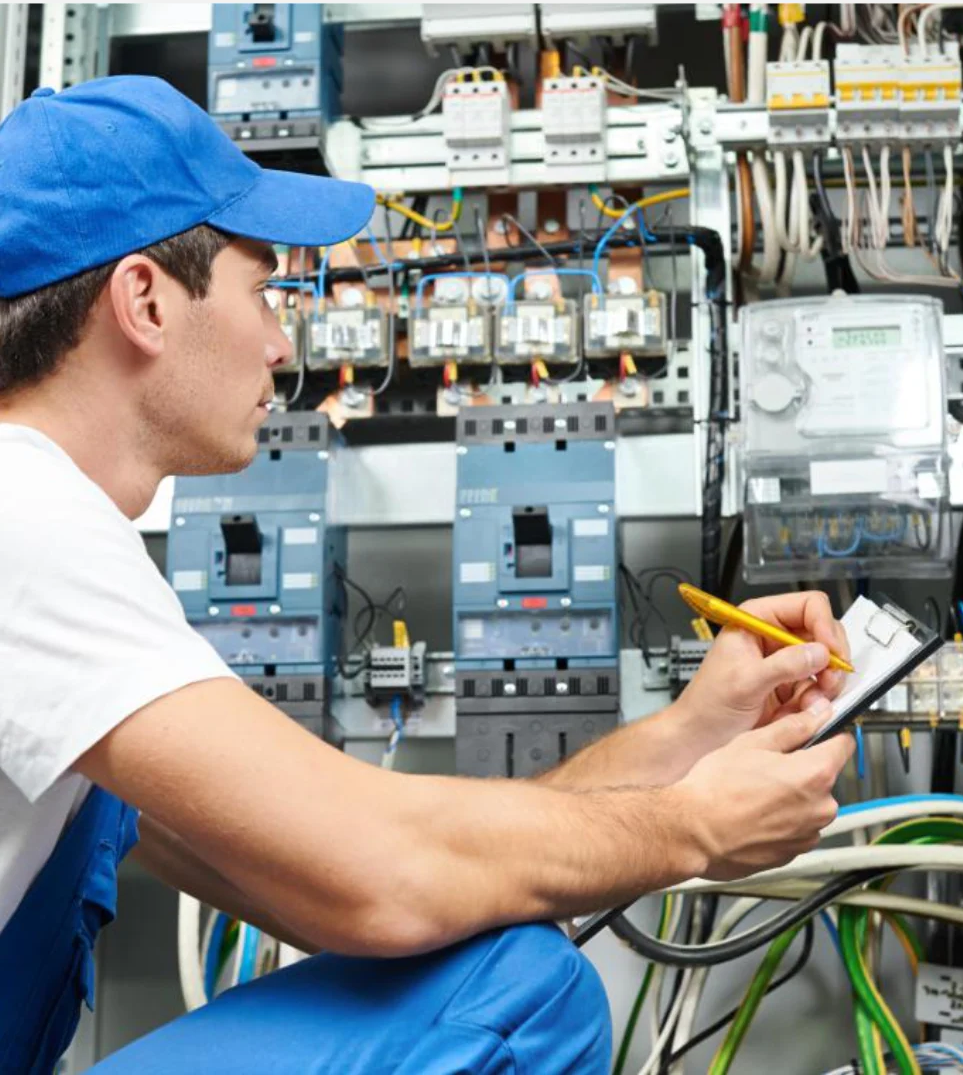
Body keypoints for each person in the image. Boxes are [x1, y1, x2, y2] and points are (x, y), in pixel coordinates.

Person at [0, 76, 854, 1075]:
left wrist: (689, 735)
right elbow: (390, 872)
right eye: (261, 290)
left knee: (486, 955)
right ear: (145, 301)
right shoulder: (27, 517)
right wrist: (697, 829)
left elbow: (338, 877)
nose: (279, 342)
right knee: (520, 992)